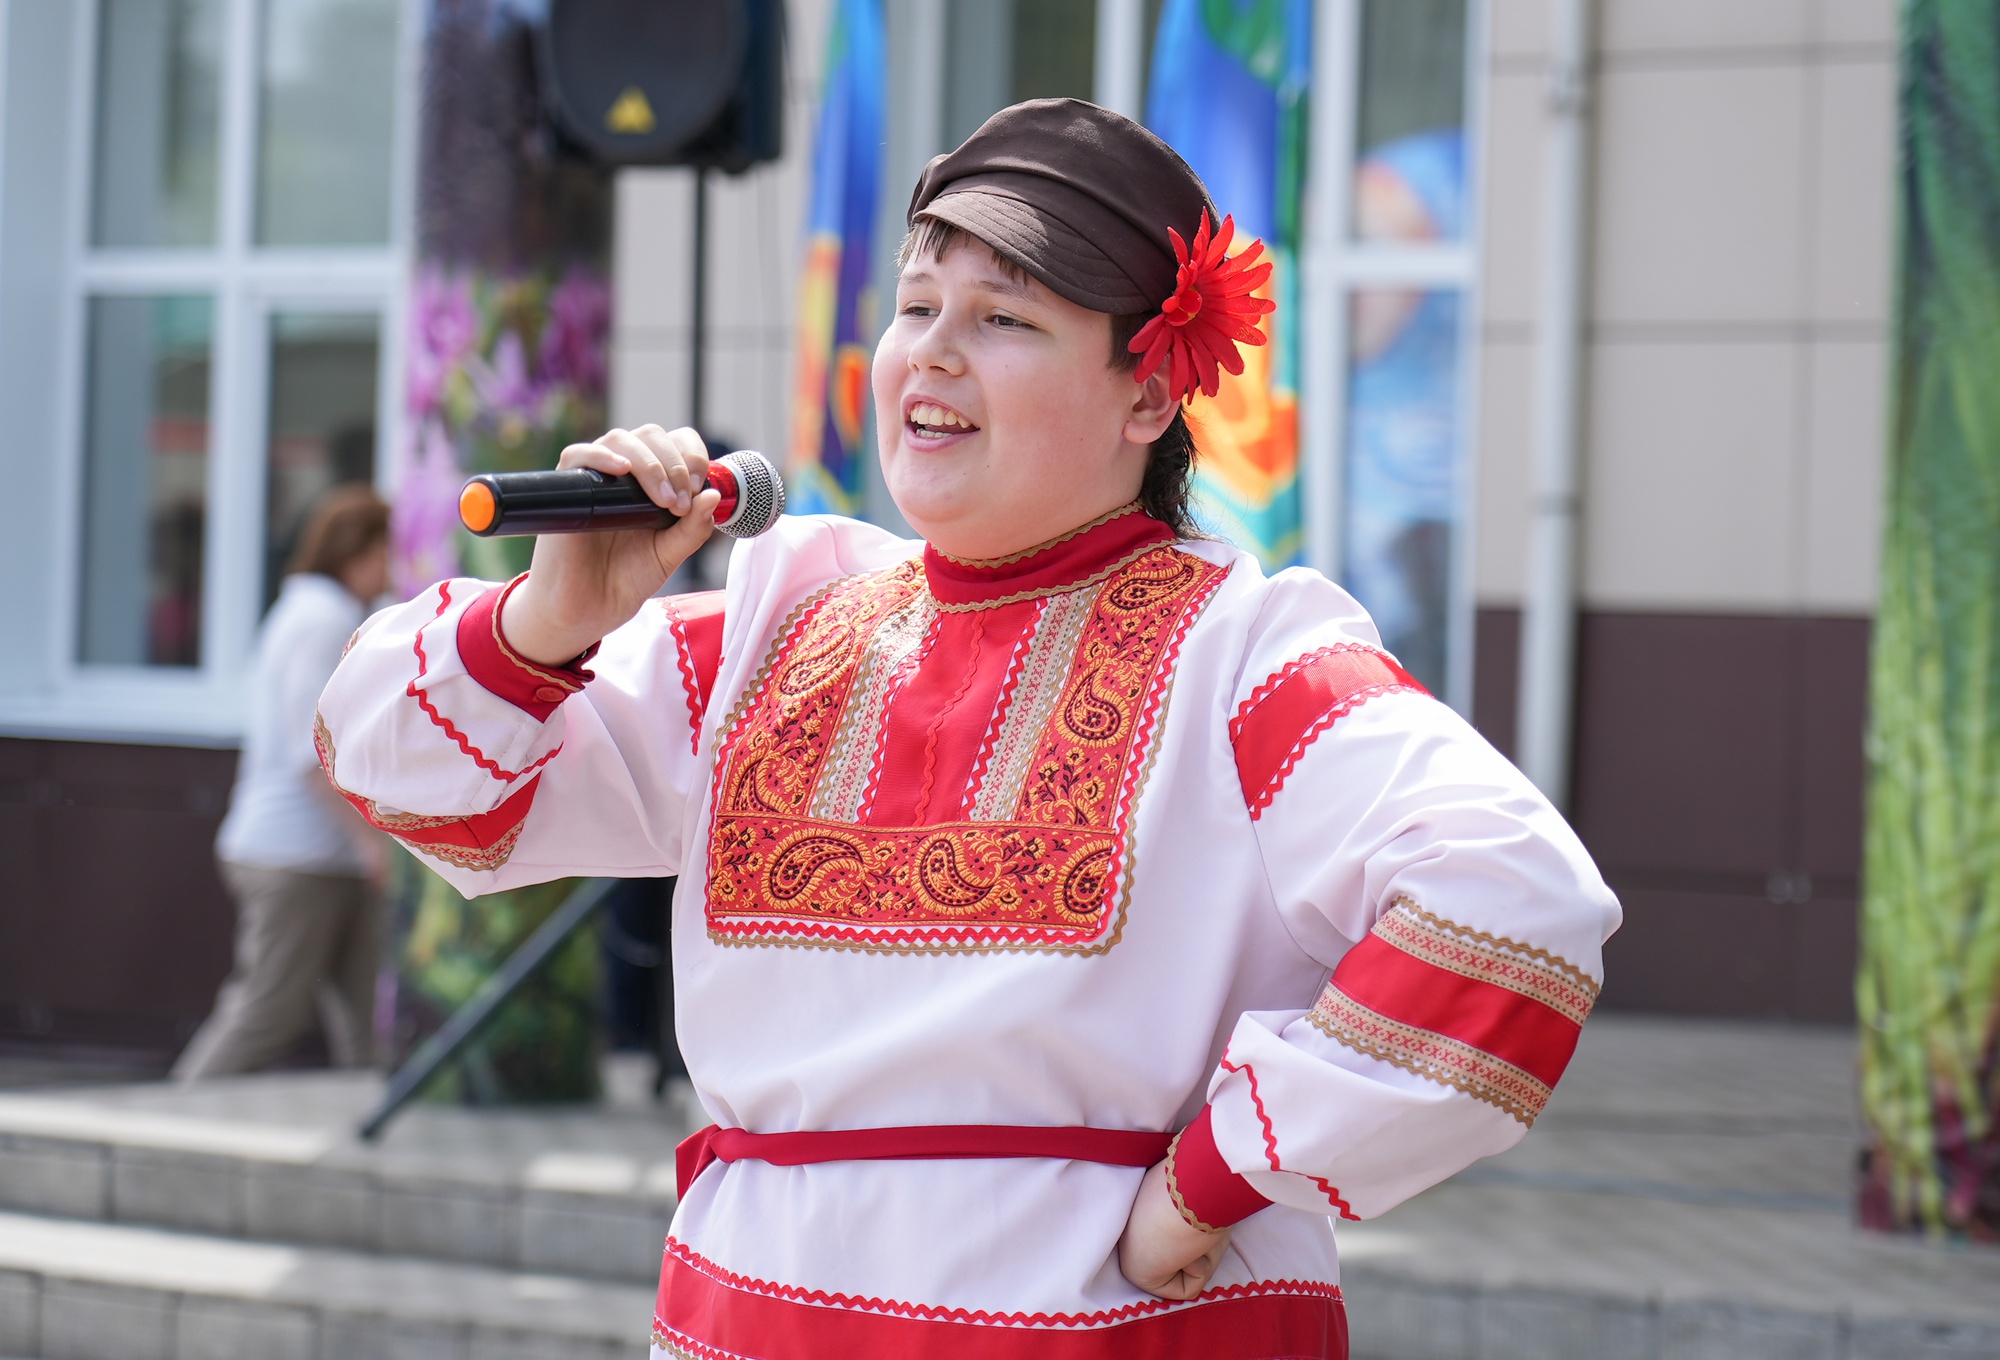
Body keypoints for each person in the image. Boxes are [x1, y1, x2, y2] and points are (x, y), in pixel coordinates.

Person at [316, 101, 1618, 1359]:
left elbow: (1512, 905)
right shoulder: (781, 621)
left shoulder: (1247, 656)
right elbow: (400, 772)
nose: (931, 353)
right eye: (917, 305)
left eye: (1004, 318)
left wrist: (1218, 1179)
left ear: (1151, 391)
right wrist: (545, 623)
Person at [175, 486, 389, 1081]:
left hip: (317, 856)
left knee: (364, 1022)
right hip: (294, 856)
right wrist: (369, 841)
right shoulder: (321, 620)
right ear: (359, 551)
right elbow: (311, 752)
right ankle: (171, 1117)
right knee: (268, 1011)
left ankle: (363, 1127)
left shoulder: (311, 613)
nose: (395, 569)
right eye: (389, 551)